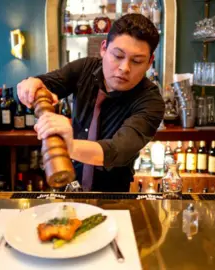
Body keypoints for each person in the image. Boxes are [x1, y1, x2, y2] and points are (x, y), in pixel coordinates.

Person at [17, 14, 164, 192]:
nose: (124, 68)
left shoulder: (151, 101)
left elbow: (117, 151)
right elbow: (46, 83)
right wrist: (29, 85)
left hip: (113, 195)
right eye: (118, 55)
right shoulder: (85, 68)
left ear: (149, 62)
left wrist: (68, 145)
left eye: (137, 61)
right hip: (69, 185)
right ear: (103, 48)